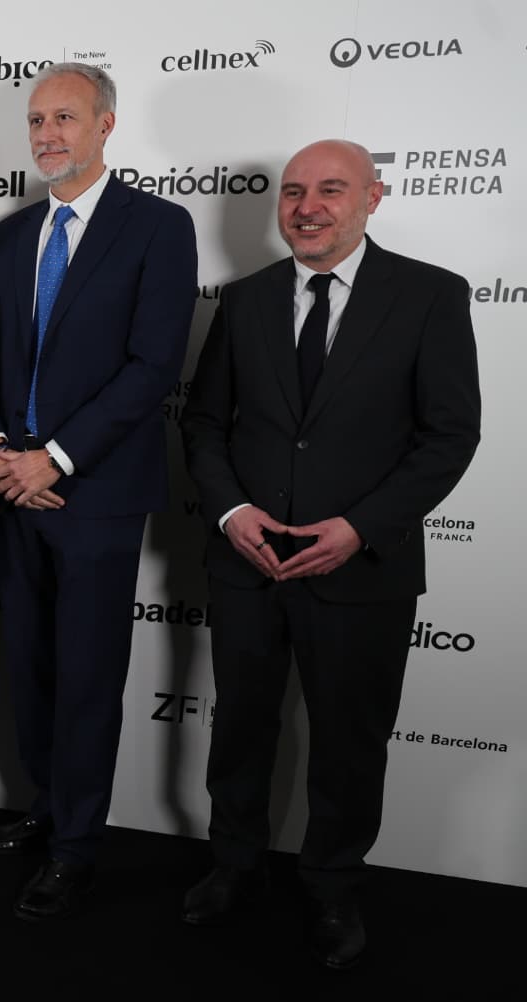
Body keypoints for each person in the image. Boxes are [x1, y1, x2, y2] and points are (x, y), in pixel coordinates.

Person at [179, 139, 481, 970]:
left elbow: (449, 435)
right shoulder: (245, 299)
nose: (307, 207)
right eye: (293, 192)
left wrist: (359, 528)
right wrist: (232, 512)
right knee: (241, 728)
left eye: (331, 190)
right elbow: (203, 422)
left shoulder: (430, 294)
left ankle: (335, 887)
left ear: (373, 198)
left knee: (350, 742)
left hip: (362, 568)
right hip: (248, 563)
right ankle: (234, 865)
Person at [0, 63, 197, 919]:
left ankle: (76, 847)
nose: (47, 134)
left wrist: (55, 458)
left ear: (105, 125)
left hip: (94, 493)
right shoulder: (9, 236)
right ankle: (46, 807)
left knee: (89, 676)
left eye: (64, 117)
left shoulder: (158, 227)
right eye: (36, 120)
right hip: (10, 486)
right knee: (29, 667)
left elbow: (153, 364)